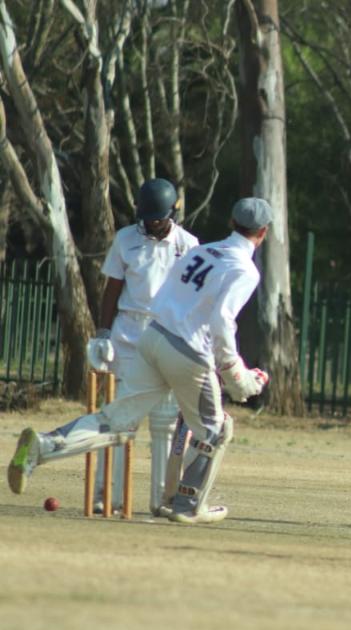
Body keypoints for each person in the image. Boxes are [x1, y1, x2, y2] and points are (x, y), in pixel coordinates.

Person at [7, 198, 273, 524]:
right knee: (216, 430)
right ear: (263, 232)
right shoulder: (245, 269)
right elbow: (221, 320)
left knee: (115, 420)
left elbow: (169, 296)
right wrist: (236, 374)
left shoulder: (201, 252)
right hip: (188, 353)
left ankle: (43, 446)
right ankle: (186, 506)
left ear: (232, 222)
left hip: (153, 338)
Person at [86, 178, 198, 516]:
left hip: (166, 336)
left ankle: (161, 501)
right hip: (128, 336)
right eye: (146, 218)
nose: (151, 224)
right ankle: (109, 496)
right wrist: (104, 332)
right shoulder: (125, 240)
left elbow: (194, 298)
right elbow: (112, 289)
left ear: (172, 214)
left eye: (157, 219)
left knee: (164, 423)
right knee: (121, 419)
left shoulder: (189, 245)